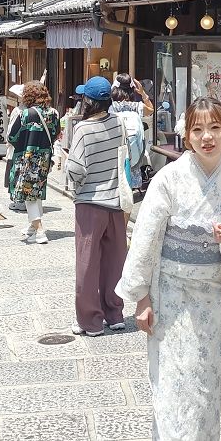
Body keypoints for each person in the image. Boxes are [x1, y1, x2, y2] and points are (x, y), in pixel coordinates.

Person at [116, 97, 221, 441]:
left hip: (212, 296)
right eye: (197, 129)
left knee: (206, 381)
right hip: (170, 292)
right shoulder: (169, 178)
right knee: (170, 382)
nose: (207, 137)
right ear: (187, 136)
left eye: (215, 128)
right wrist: (141, 297)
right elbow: (146, 239)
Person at [64, 76, 127, 336]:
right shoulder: (119, 123)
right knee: (114, 261)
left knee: (88, 263)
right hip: (117, 202)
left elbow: (76, 168)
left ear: (89, 101)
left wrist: (74, 183)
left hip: (90, 203)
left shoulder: (83, 130)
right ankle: (114, 313)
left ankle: (90, 321)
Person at [7, 81, 59, 244]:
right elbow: (57, 133)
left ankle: (40, 229)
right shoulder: (53, 113)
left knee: (28, 192)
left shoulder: (26, 114)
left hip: (27, 158)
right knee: (36, 191)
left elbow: (12, 136)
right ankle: (32, 226)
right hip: (44, 157)